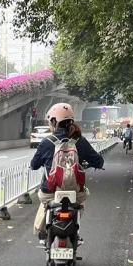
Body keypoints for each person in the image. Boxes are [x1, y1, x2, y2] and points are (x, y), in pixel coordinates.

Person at [30, 102, 104, 239]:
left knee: (44, 201)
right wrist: (91, 164)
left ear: (54, 121)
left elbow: (34, 165)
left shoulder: (47, 142)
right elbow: (98, 161)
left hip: (50, 192)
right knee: (81, 200)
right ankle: (75, 230)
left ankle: (42, 229)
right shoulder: (80, 141)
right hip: (75, 192)